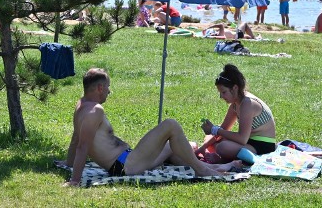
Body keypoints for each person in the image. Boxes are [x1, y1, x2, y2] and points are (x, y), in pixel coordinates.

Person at [58, 68, 228, 186]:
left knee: (172, 147)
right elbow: (82, 146)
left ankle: (214, 168)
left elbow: (76, 138)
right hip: (125, 166)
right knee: (171, 125)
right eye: (108, 87)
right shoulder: (95, 111)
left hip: (128, 160)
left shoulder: (81, 105)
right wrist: (75, 180)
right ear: (100, 87)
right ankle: (201, 170)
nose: (109, 92)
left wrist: (69, 162)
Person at [198, 64, 276, 163]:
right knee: (212, 139)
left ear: (235, 88)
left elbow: (242, 139)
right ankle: (223, 157)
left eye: (224, 92)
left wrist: (215, 130)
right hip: (249, 142)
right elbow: (224, 128)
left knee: (222, 147)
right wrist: (203, 147)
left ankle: (223, 160)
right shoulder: (236, 104)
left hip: (262, 147)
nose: (221, 97)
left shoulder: (248, 103)